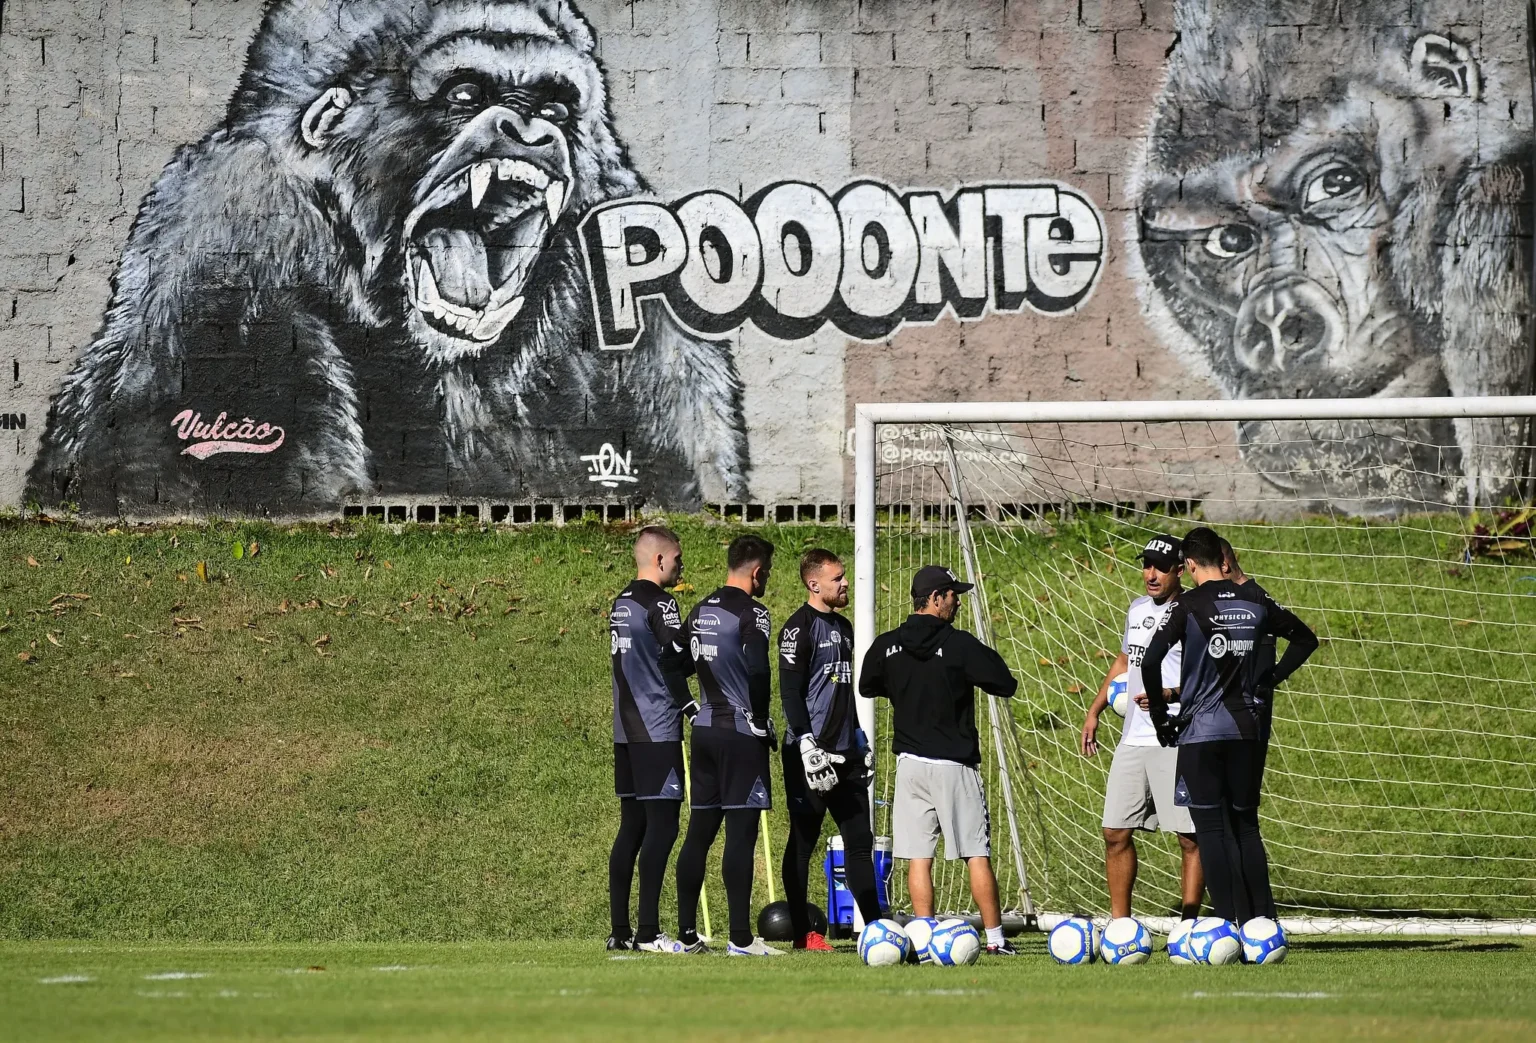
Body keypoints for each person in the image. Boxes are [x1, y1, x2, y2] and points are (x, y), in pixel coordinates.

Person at [1140, 527, 1319, 925]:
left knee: (1211, 831)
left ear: (1187, 564)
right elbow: (1305, 639)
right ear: (1222, 559)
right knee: (1246, 827)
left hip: (1201, 733)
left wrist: (1159, 719)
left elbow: (1150, 661)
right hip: (1246, 732)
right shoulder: (1255, 600)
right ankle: (1263, 925)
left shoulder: (1187, 606)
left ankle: (1226, 925)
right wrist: (1270, 677)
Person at [859, 565, 1020, 956]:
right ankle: (996, 940)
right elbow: (1005, 682)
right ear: (935, 599)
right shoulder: (959, 644)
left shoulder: (887, 644)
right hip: (953, 765)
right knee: (975, 854)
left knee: (919, 856)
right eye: (952, 594)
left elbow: (867, 684)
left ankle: (924, 936)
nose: (957, 601)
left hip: (910, 765)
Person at [1079, 534, 1203, 922]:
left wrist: (1169, 695)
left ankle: (1189, 924)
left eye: (1160, 567)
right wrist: (1095, 709)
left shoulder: (1194, 612)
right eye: (1146, 564)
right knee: (1115, 832)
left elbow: (1208, 675)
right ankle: (1120, 925)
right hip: (1133, 739)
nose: (1151, 574)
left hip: (1177, 737)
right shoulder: (1136, 609)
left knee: (1189, 837)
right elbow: (1124, 662)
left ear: (1179, 570)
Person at [671, 534, 782, 956]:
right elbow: (757, 670)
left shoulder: (700, 610)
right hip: (739, 734)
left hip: (703, 730)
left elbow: (671, 661)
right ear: (756, 572)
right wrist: (758, 718)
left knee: (699, 831)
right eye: (766, 573)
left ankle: (686, 934)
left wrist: (687, 704)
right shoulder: (753, 613)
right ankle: (740, 939)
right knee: (740, 833)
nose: (766, 580)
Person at [778, 548, 882, 951]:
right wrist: (805, 742)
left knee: (859, 840)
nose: (844, 583)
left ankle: (875, 927)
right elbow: (790, 692)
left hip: (845, 753)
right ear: (813, 583)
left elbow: (843, 689)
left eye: (844, 576)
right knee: (803, 842)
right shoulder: (798, 628)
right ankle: (804, 935)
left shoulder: (845, 627)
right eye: (837, 578)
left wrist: (857, 733)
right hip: (810, 755)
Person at [606, 526, 692, 952]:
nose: (681, 565)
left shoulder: (621, 602)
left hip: (625, 731)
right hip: (657, 728)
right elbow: (677, 659)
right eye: (677, 558)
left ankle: (620, 934)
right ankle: (648, 932)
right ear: (659, 560)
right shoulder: (661, 603)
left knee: (631, 829)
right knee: (663, 827)